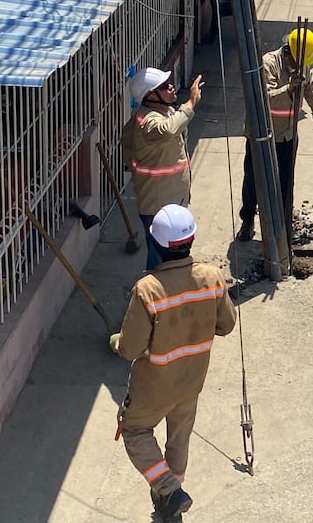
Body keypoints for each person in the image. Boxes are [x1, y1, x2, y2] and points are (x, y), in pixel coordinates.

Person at [110, 205, 236, 523]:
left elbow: (130, 348)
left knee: (136, 431)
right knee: (179, 439)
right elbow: (226, 325)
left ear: (156, 244)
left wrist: (116, 341)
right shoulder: (211, 277)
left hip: (154, 386)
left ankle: (168, 489)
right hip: (192, 381)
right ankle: (170, 502)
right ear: (191, 239)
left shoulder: (147, 289)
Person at [237, 28, 313, 242]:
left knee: (285, 181)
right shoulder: (268, 64)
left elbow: (308, 86)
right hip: (262, 134)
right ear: (289, 52)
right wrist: (287, 88)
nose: (300, 66)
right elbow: (263, 97)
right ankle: (247, 220)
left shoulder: (302, 60)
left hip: (287, 133)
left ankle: (283, 226)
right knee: (254, 180)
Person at [122, 67, 203, 271]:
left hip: (171, 200)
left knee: (173, 257)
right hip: (157, 205)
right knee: (159, 259)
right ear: (150, 95)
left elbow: (126, 142)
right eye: (164, 86)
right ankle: (155, 294)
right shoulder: (148, 121)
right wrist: (191, 103)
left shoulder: (164, 111)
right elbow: (168, 131)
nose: (171, 87)